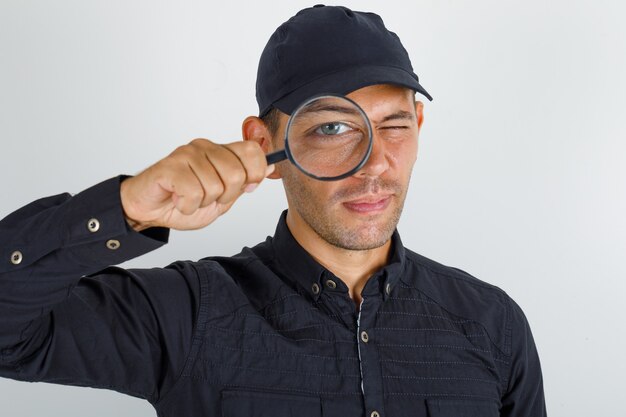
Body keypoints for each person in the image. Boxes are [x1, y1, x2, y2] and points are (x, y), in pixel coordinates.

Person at [0, 5, 546, 417]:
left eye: (394, 124)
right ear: (264, 143)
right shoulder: (187, 315)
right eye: (334, 128)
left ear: (419, 127)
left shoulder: (492, 324)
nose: (375, 162)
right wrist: (127, 207)